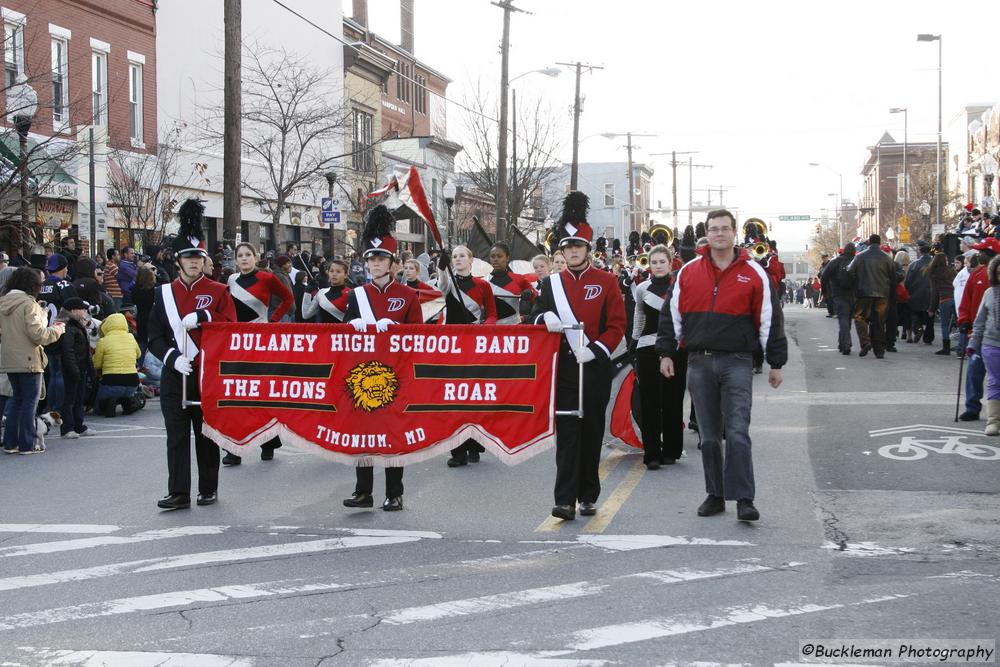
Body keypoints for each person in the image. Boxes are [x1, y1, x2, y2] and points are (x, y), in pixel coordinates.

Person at [656, 209, 786, 522]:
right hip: (699, 363)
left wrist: (775, 362)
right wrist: (666, 353)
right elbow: (670, 315)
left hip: (738, 362)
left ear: (733, 233)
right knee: (710, 437)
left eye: (725, 228)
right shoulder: (688, 271)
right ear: (708, 233)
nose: (719, 234)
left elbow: (770, 318)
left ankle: (744, 499)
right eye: (714, 229)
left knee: (738, 432)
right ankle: (715, 495)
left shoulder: (755, 272)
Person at [529, 191, 625, 521]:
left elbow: (617, 325)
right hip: (565, 369)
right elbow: (534, 317)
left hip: (594, 366)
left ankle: (588, 495)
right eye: (567, 247)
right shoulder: (550, 284)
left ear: (587, 249)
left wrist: (596, 350)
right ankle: (564, 499)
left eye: (577, 247)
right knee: (567, 436)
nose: (572, 252)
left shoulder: (607, 281)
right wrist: (545, 319)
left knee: (591, 432)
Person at [148, 199, 236, 510]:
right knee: (176, 435)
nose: (194, 262)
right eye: (188, 257)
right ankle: (179, 492)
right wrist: (172, 358)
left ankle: (208, 488)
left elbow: (231, 328)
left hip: (206, 372)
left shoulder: (218, 291)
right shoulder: (163, 294)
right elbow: (154, 337)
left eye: (198, 256)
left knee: (206, 435)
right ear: (178, 261)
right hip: (176, 373)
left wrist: (205, 319)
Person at [342, 204, 423, 512]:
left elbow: (420, 338)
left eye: (381, 259)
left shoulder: (407, 296)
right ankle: (363, 491)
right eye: (372, 258)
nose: (376, 263)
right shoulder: (356, 296)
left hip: (396, 374)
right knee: (362, 432)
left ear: (392, 263)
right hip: (361, 374)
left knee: (392, 433)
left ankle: (394, 492)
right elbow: (340, 338)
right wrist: (353, 326)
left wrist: (398, 331)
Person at [223, 242, 294, 466]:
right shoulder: (231, 280)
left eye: (248, 255)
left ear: (255, 257)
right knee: (236, 395)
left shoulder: (267, 278)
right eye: (240, 255)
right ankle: (234, 448)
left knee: (260, 394)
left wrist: (272, 321)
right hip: (236, 343)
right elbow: (225, 307)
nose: (244, 259)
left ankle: (268, 442)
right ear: (235, 260)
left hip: (261, 342)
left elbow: (288, 299)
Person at [437, 245, 497, 468]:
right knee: (454, 398)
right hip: (452, 345)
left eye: (462, 255)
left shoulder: (482, 285)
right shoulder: (448, 282)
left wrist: (485, 328)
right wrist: (442, 267)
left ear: (471, 259)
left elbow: (491, 313)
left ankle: (475, 443)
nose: (458, 259)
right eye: (454, 256)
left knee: (474, 395)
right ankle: (458, 450)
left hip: (474, 344)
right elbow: (441, 286)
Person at [632, 244, 686, 468]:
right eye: (653, 262)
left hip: (676, 349)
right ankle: (652, 453)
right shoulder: (642, 288)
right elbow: (638, 319)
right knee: (649, 401)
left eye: (662, 262)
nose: (658, 266)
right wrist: (633, 344)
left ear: (670, 262)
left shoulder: (681, 287)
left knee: (673, 400)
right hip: (646, 348)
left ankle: (672, 450)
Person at [0, 268, 65, 454]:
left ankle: (11, 443)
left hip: (9, 358)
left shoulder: (3, 303)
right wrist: (58, 329)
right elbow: (39, 335)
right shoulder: (29, 304)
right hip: (29, 359)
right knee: (30, 402)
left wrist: (41, 313)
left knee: (16, 400)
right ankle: (27, 443)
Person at [957, 239, 1000, 421]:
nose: (978, 254)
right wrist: (964, 319)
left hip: (993, 336)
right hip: (978, 334)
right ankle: (973, 407)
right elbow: (966, 299)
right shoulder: (976, 275)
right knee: (974, 371)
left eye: (981, 251)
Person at [846, 234, 897, 359]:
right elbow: (893, 276)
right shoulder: (887, 258)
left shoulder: (860, 257)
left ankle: (865, 342)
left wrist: (857, 283)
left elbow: (850, 271)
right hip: (882, 294)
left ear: (868, 242)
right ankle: (879, 350)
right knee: (878, 322)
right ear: (879, 243)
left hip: (864, 293)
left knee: (859, 317)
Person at [969, 255, 1000, 436]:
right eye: (997, 273)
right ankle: (994, 421)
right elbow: (980, 322)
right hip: (992, 344)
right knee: (995, 382)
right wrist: (973, 344)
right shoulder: (989, 293)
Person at [56, 297, 95, 439]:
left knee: (79, 398)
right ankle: (67, 427)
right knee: (70, 398)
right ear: (73, 311)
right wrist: (73, 368)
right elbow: (68, 350)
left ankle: (79, 425)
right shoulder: (67, 326)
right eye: (82, 309)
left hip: (81, 366)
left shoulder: (78, 325)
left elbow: (85, 349)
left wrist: (90, 367)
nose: (85, 312)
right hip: (72, 368)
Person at [93, 312, 142, 418]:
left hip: (112, 381)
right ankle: (126, 401)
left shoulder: (103, 341)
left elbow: (97, 364)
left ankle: (109, 404)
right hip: (133, 381)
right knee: (125, 391)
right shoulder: (131, 337)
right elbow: (139, 354)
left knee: (98, 403)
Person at [487, 242, 536, 325]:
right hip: (491, 329)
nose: (495, 259)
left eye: (499, 256)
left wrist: (530, 292)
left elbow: (536, 297)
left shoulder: (519, 279)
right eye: (492, 256)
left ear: (507, 258)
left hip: (514, 328)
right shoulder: (484, 281)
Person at [820, 242, 856, 355]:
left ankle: (844, 343)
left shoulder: (835, 262)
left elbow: (823, 277)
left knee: (843, 318)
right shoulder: (857, 261)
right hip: (853, 294)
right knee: (848, 318)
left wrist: (826, 291)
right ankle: (845, 342)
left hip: (838, 294)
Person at [905, 241, 934, 344]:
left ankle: (918, 328)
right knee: (930, 316)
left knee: (915, 313)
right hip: (931, 293)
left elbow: (907, 280)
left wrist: (907, 290)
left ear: (920, 252)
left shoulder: (914, 265)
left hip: (915, 293)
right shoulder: (934, 263)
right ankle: (928, 337)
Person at [928, 251, 957, 355]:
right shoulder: (952, 270)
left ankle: (946, 348)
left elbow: (934, 292)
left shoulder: (934, 273)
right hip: (955, 297)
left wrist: (931, 308)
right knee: (959, 323)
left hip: (944, 299)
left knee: (944, 324)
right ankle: (963, 345)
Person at [132, 267, 156, 358]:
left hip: (141, 317)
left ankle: (141, 361)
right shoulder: (154, 289)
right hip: (152, 318)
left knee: (142, 342)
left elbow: (133, 300)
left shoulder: (135, 289)